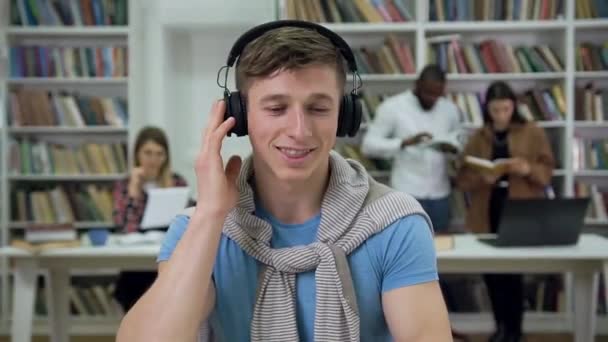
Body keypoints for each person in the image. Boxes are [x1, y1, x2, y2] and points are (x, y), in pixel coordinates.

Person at [116, 20, 452, 342]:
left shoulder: (395, 223)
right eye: (276, 108)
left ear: (344, 116)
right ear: (239, 117)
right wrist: (210, 214)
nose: (299, 131)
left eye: (318, 108)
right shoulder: (197, 230)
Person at [455, 81, 554, 342]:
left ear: (514, 106)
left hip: (519, 209)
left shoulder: (532, 132)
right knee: (492, 272)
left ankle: (515, 330)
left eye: (506, 109)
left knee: (515, 272)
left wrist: (527, 169)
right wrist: (482, 178)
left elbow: (546, 173)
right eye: (495, 110)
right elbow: (463, 179)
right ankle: (500, 328)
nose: (501, 115)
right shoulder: (479, 136)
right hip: (488, 210)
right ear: (487, 109)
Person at [361, 64, 462, 233]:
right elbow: (368, 146)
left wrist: (451, 149)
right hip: (406, 191)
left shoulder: (450, 110)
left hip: (440, 193)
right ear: (417, 85)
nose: (432, 99)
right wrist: (403, 143)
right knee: (404, 245)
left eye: (437, 95)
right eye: (428, 93)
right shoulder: (393, 107)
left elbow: (459, 143)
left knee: (442, 250)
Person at [111, 126, 188, 312]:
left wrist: (169, 190)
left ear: (166, 157)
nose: (153, 160)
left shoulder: (177, 182)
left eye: (159, 154)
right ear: (137, 154)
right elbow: (123, 227)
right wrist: (133, 191)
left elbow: (186, 224)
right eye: (147, 153)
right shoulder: (124, 184)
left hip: (167, 257)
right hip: (136, 260)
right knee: (134, 287)